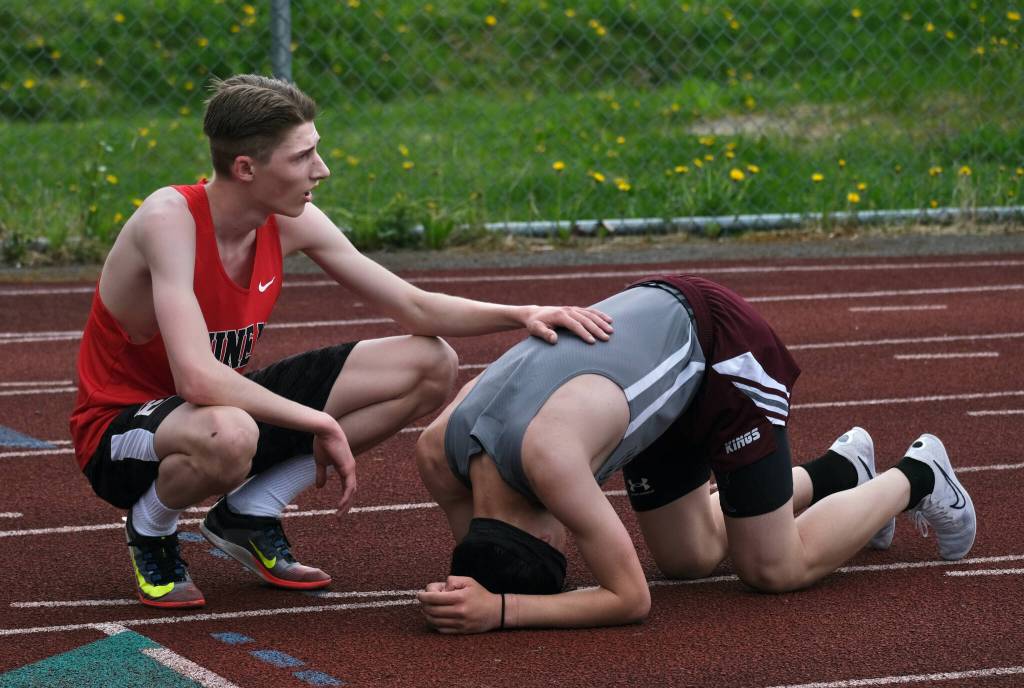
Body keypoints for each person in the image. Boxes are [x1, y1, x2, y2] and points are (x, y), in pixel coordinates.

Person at [68, 74, 613, 609]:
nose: (321, 169)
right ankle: (151, 526)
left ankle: (250, 512)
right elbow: (196, 377)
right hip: (122, 429)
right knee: (229, 433)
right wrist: (320, 421)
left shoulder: (290, 219)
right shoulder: (170, 218)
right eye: (303, 156)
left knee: (429, 360)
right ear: (245, 168)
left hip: (211, 406)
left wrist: (522, 313)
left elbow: (413, 306)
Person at [415, 274, 977, 633]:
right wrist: (475, 585)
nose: (567, 533)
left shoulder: (551, 460)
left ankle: (918, 475)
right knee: (688, 561)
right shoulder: (438, 453)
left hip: (716, 346)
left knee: (772, 569)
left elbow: (630, 600)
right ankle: (840, 470)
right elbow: (478, 547)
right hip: (648, 368)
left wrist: (503, 611)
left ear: (541, 535)